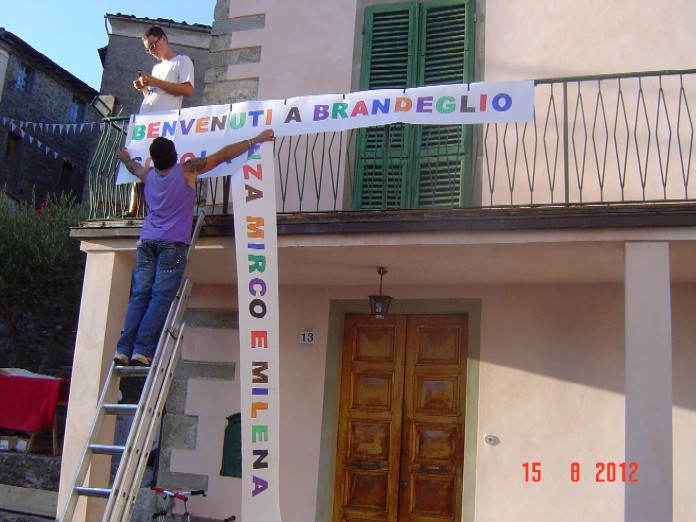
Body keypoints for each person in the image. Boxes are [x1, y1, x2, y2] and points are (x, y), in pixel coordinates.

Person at [114, 129, 275, 366]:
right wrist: (256, 139)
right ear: (174, 155)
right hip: (173, 243)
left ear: (155, 160)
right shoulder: (187, 170)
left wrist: (125, 156)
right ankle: (142, 350)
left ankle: (123, 350)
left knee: (139, 295)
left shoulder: (147, 174)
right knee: (160, 296)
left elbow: (131, 166)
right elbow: (222, 155)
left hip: (147, 241)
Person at [126, 26, 195, 216]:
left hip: (165, 124)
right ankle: (134, 207)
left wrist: (154, 82)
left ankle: (154, 208)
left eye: (153, 45)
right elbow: (155, 97)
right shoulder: (156, 68)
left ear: (163, 39)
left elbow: (187, 90)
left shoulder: (182, 61)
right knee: (140, 160)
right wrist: (144, 89)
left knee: (158, 166)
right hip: (147, 122)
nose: (152, 51)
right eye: (148, 49)